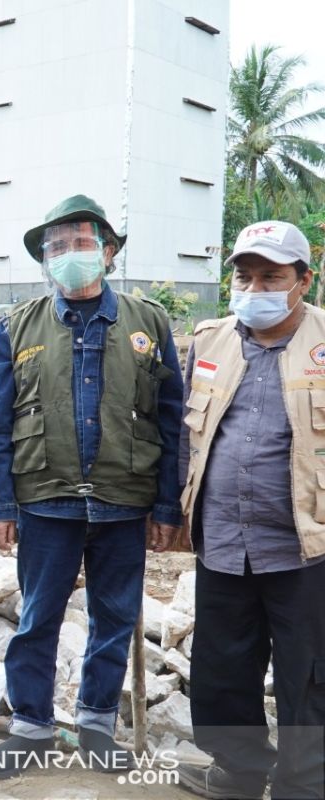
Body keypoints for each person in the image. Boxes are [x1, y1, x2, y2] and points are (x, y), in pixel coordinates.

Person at [0, 195, 183, 777]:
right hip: (46, 497)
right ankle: (31, 728)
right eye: (57, 247)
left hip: (126, 499)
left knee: (114, 616)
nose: (70, 255)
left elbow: (171, 418)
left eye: (82, 243)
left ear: (109, 252)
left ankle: (95, 724)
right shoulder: (16, 327)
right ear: (45, 260)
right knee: (38, 616)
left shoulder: (149, 323)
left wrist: (167, 502)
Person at [176, 220, 325, 800]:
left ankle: (302, 785)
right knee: (221, 670)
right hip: (223, 542)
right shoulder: (209, 340)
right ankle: (238, 773)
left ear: (303, 280)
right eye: (244, 275)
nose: (254, 286)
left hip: (305, 547)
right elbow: (185, 437)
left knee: (309, 677)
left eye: (271, 276)